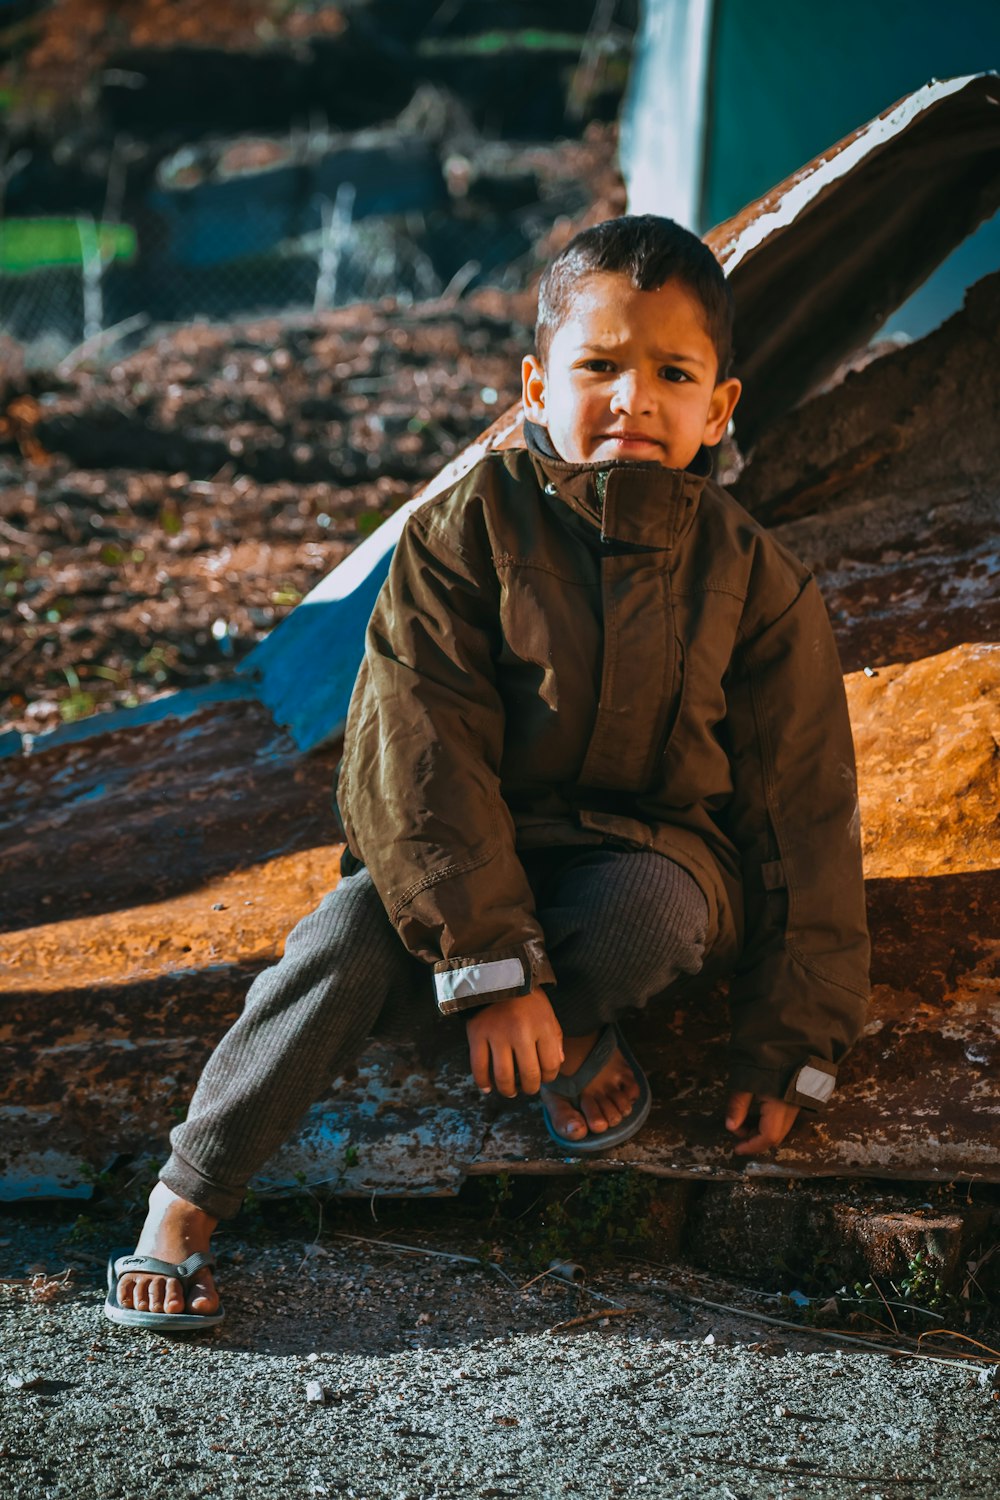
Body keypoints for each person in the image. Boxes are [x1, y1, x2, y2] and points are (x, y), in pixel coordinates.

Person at [105, 215, 870, 1331]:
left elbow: (804, 817)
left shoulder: (758, 583)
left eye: (672, 373)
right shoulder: (460, 536)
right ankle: (181, 1205)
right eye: (598, 366)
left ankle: (568, 1019)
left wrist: (791, 1045)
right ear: (532, 389)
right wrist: (488, 965)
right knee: (336, 938)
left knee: (649, 910)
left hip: (642, 863)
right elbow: (415, 757)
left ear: (719, 407)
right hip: (454, 871)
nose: (632, 399)